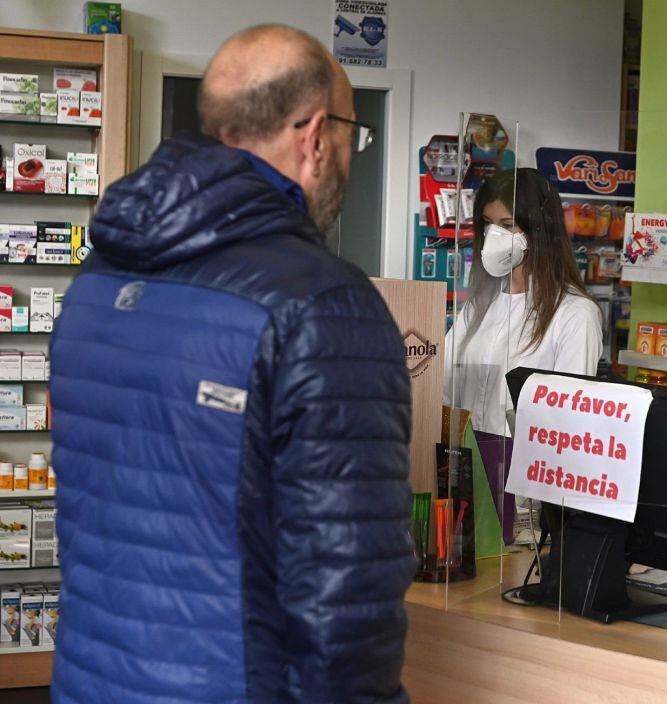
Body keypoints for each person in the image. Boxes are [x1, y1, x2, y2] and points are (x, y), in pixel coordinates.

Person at [49, 25, 415, 703]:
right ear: (312, 135)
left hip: (92, 681)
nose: (345, 156)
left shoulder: (96, 280)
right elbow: (346, 603)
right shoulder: (323, 307)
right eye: (348, 138)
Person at [444, 168, 603, 435]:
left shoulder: (575, 314)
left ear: (538, 229)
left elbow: (569, 424)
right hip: (468, 463)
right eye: (487, 223)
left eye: (507, 226)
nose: (494, 235)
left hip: (526, 470)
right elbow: (443, 387)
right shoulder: (478, 306)